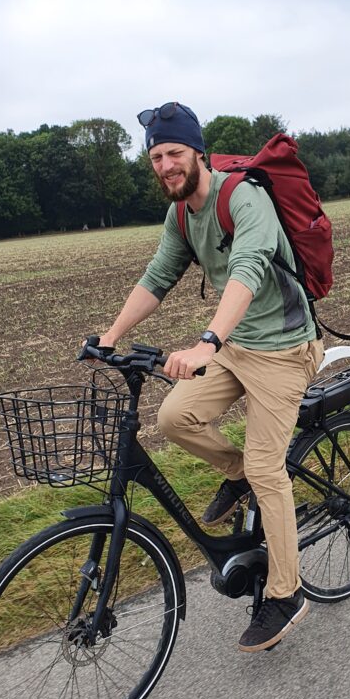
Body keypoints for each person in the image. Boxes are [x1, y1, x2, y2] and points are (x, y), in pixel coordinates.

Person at [96, 101, 324, 652]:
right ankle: (236, 472)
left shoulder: (243, 197)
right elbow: (158, 275)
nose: (165, 165)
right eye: (155, 156)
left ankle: (287, 592)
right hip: (238, 346)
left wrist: (206, 342)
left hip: (286, 349)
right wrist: (110, 335)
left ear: (197, 152)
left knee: (269, 468)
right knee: (176, 416)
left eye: (174, 153)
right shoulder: (179, 215)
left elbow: (247, 269)